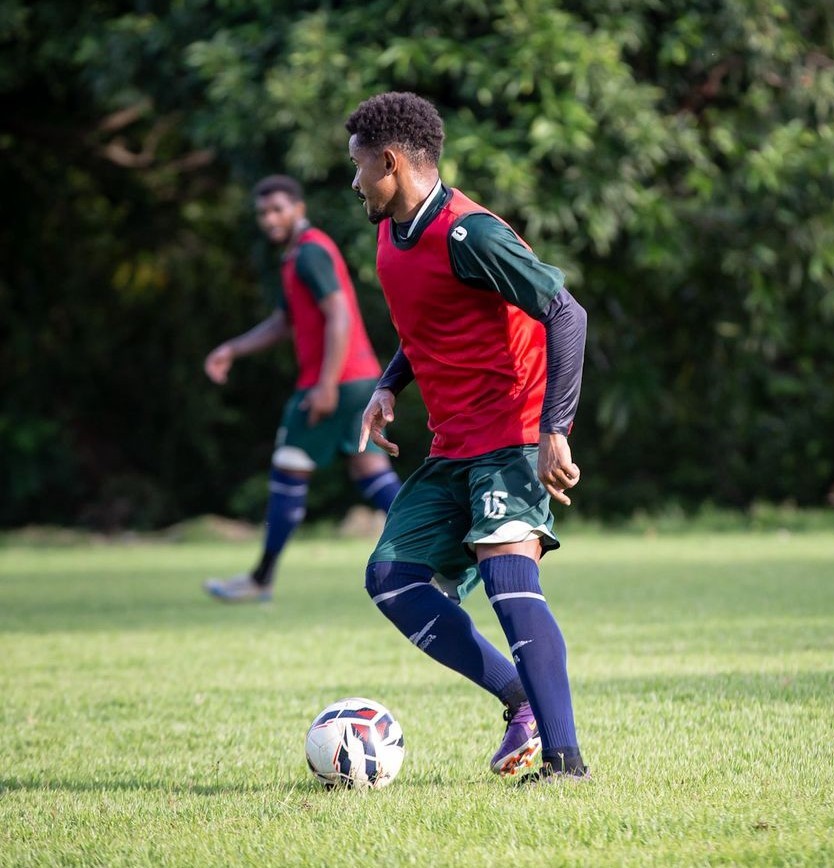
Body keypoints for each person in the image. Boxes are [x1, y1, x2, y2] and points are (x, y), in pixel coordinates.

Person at [344, 92, 590, 782]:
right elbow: (429, 323)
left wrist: (556, 432)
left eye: (360, 166)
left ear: (390, 162)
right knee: (391, 579)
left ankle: (566, 765)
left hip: (512, 436)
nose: (355, 181)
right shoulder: (390, 233)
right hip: (453, 446)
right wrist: (391, 382)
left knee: (508, 574)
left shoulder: (469, 233)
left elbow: (566, 314)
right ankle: (521, 700)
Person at [202, 174, 401, 603]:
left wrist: (326, 385)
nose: (269, 218)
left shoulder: (310, 252)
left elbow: (340, 317)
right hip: (357, 379)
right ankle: (444, 553)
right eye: (262, 212)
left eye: (277, 209)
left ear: (298, 208)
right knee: (372, 475)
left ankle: (260, 580)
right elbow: (284, 321)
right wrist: (232, 349)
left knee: (289, 468)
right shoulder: (296, 256)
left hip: (336, 383)